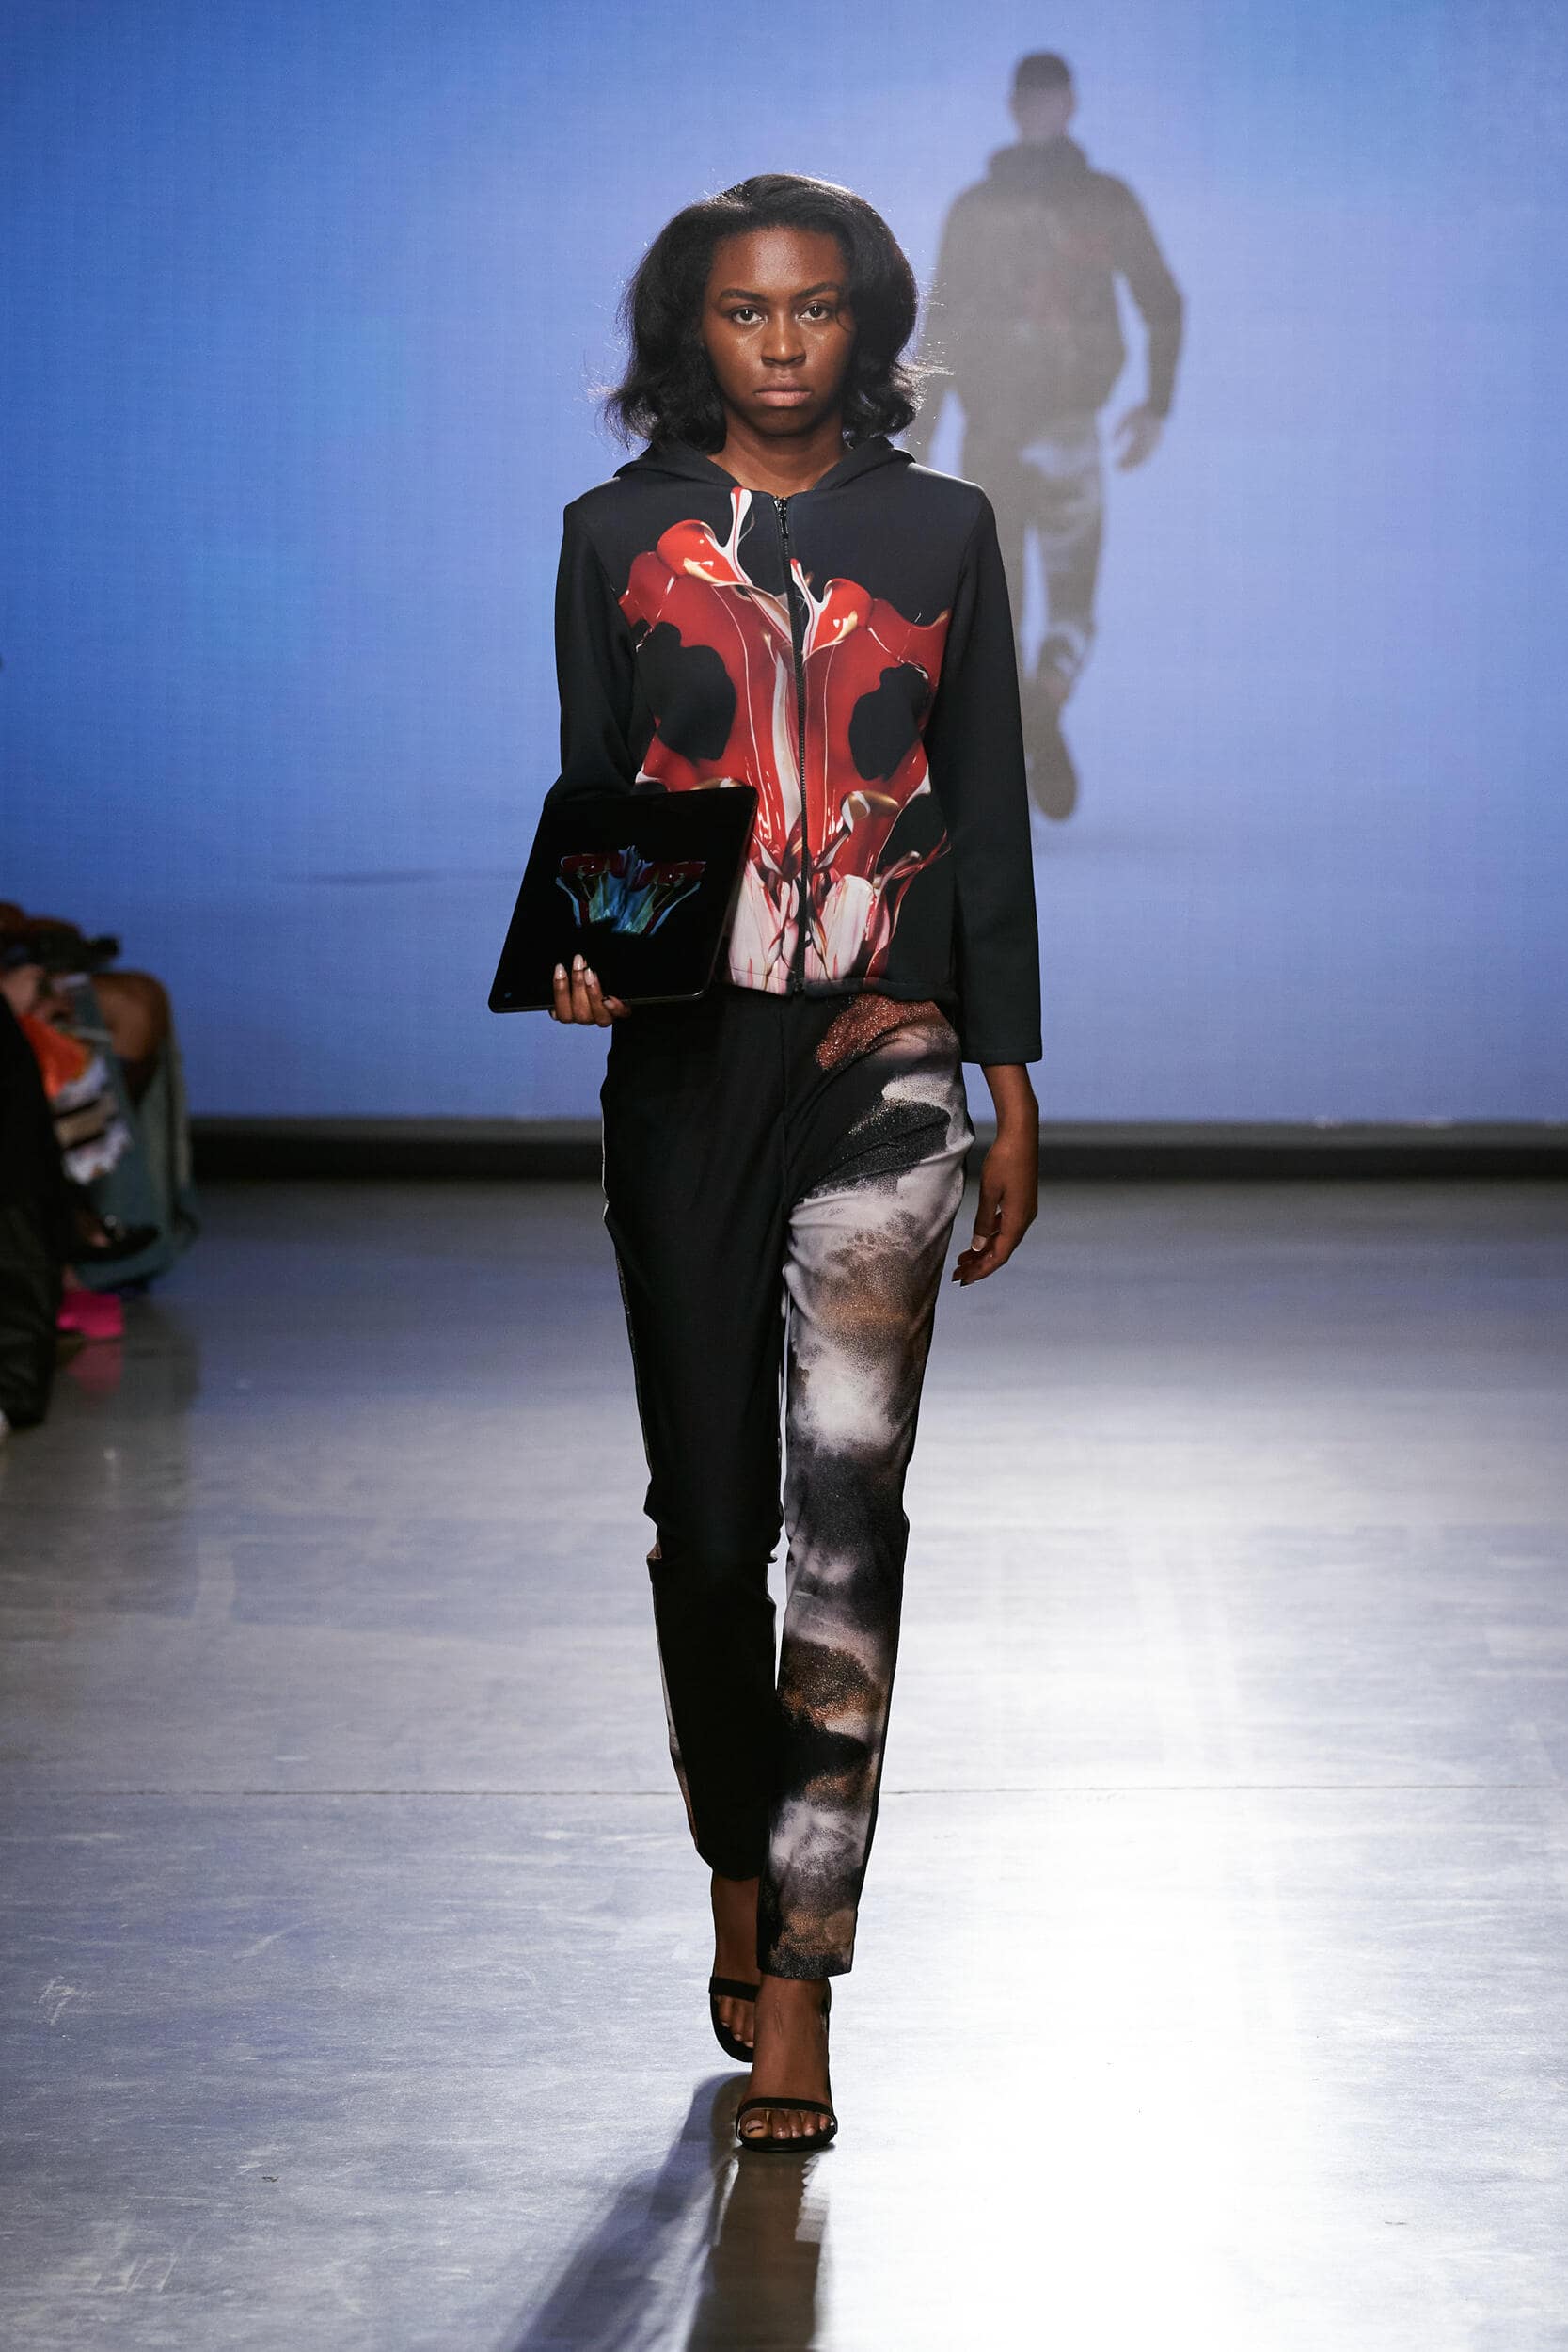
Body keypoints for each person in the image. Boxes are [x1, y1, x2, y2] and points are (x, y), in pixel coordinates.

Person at [543, 174, 1041, 2149]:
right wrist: (590, 944)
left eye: (814, 308)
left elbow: (979, 804)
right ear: (694, 328)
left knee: (847, 1522)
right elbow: (602, 791)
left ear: (865, 323)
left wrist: (1006, 1076)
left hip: (883, 1063)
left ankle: (805, 1988)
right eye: (744, 311)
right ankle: (733, 1875)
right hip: (681, 1068)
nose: (779, 341)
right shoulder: (614, 534)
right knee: (705, 1526)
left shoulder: (941, 530)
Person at [906, 51, 1184, 819]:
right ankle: (1032, 727)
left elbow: (1162, 301)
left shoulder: (1104, 201)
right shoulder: (976, 210)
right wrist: (919, 440)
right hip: (994, 433)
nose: (1037, 110)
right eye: (1029, 99)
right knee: (999, 608)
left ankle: (1039, 717)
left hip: (1063, 427)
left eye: (1047, 98)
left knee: (1066, 599)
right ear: (1016, 107)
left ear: (1067, 104)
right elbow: (943, 326)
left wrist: (1155, 404)